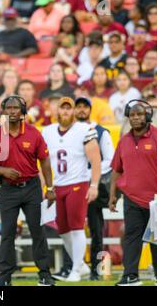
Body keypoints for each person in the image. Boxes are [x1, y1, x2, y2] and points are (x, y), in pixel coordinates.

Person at [0, 96, 55, 286]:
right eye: (9, 108)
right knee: (7, 233)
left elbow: (45, 160)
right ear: (3, 111)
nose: (13, 111)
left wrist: (50, 187)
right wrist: (3, 170)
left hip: (32, 187)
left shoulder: (34, 133)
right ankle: (5, 277)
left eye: (16, 108)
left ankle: (45, 274)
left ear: (23, 111)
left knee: (38, 231)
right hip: (7, 189)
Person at [109, 100, 157, 286]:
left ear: (147, 116)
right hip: (131, 198)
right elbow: (116, 169)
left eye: (139, 114)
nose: (135, 118)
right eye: (132, 115)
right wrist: (112, 195)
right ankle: (130, 276)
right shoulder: (124, 140)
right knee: (132, 238)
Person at [54, 97, 115, 281]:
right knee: (69, 226)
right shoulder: (65, 132)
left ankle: (97, 269)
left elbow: (109, 160)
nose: (81, 110)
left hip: (90, 185)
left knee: (95, 228)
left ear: (90, 110)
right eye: (78, 107)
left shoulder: (100, 131)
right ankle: (70, 267)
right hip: (70, 184)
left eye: (84, 107)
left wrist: (89, 176)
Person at [42, 97, 101, 282]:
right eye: (63, 108)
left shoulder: (84, 130)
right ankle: (80, 264)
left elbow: (96, 159)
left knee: (76, 227)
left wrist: (94, 185)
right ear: (57, 111)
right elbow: (43, 161)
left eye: (69, 108)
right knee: (63, 229)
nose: (66, 112)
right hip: (58, 185)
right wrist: (46, 185)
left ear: (74, 111)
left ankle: (76, 269)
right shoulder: (48, 131)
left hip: (78, 183)